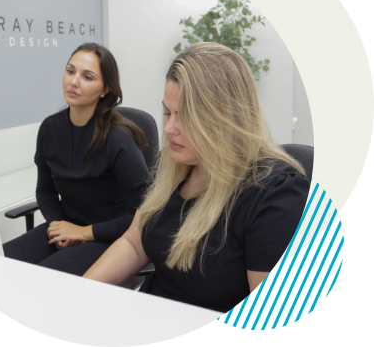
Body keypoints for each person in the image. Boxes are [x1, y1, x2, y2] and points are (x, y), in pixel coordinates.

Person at [83, 42, 311, 313]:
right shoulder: (177, 164)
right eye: (168, 112)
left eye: (186, 117)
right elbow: (134, 243)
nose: (168, 128)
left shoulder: (276, 194)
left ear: (226, 118)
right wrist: (80, 294)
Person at [3, 43, 150, 282]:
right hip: (68, 227)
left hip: (113, 237)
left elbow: (143, 215)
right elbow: (45, 189)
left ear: (105, 89)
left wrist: (83, 232)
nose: (73, 82)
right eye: (70, 71)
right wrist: (57, 226)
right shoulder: (50, 128)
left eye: (87, 77)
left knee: (37, 283)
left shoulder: (118, 139)